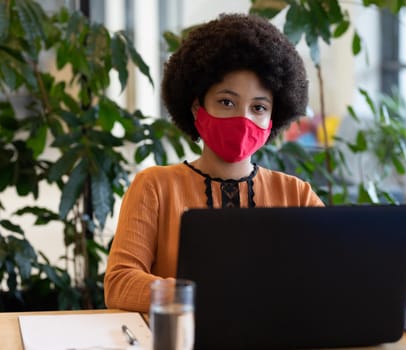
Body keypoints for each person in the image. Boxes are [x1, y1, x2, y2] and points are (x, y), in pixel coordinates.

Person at [104, 13, 324, 313]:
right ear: (197, 107)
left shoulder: (297, 195)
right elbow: (119, 283)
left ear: (272, 119)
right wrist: (195, 295)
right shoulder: (154, 186)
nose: (243, 118)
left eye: (258, 107)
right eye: (226, 102)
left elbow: (332, 274)